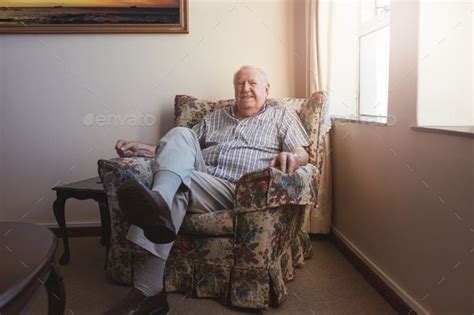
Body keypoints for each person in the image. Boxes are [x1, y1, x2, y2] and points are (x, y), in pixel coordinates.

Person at [105, 66, 310, 315]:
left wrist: (293, 157)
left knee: (175, 185)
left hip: (241, 188)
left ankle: (147, 289)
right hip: (202, 178)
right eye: (239, 83)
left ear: (267, 89)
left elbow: (302, 152)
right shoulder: (215, 117)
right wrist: (141, 148)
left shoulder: (282, 116)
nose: (245, 88)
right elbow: (179, 149)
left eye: (252, 83)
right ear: (234, 89)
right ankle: (159, 205)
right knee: (180, 137)